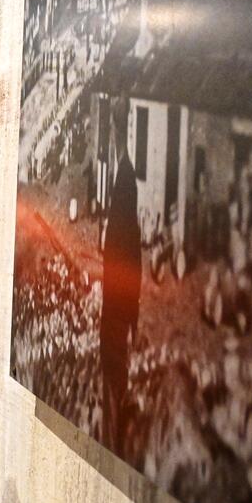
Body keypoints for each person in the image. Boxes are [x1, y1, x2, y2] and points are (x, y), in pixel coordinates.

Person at [100, 101, 141, 455]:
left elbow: (132, 252)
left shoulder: (126, 179)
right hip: (113, 305)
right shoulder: (120, 174)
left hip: (117, 305)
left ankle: (116, 439)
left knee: (115, 375)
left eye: (118, 125)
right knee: (111, 374)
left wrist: (132, 313)